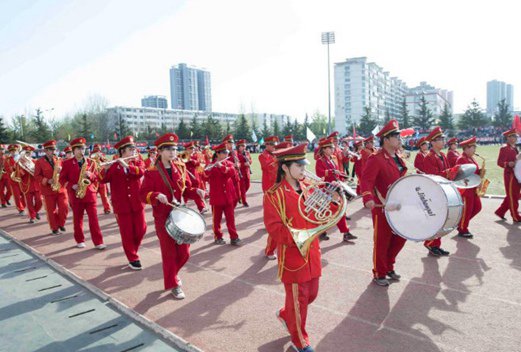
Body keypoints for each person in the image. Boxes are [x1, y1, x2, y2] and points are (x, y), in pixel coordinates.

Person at [263, 143, 320, 352]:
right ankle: (300, 341)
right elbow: (274, 227)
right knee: (299, 299)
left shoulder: (308, 187)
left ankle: (286, 315)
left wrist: (333, 198)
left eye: (304, 165)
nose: (304, 170)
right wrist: (298, 236)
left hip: (312, 252)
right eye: (299, 166)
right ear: (285, 167)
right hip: (293, 256)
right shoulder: (273, 195)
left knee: (311, 294)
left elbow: (320, 214)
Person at [140, 133, 200, 299]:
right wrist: (156, 195)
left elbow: (186, 189)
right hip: (163, 218)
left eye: (174, 148)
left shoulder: (180, 167)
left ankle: (172, 274)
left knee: (184, 253)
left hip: (181, 215)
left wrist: (197, 192)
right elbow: (142, 194)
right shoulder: (151, 172)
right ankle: (173, 284)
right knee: (169, 254)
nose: (173, 151)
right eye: (168, 149)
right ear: (159, 151)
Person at [360, 120, 408, 287]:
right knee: (383, 241)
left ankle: (389, 266)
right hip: (383, 206)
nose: (399, 138)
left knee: (401, 236)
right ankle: (380, 272)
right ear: (386, 139)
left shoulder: (398, 157)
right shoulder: (376, 158)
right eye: (396, 136)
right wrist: (368, 198)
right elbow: (366, 180)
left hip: (399, 205)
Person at [100, 136, 146, 270]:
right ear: (122, 151)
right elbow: (102, 180)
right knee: (127, 233)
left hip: (137, 202)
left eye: (134, 148)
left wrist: (127, 165)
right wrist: (107, 168)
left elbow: (141, 172)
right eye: (130, 149)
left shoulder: (137, 161)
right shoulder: (114, 165)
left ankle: (133, 251)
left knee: (141, 229)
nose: (134, 151)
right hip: (122, 205)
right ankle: (133, 258)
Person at [59, 137, 105, 249]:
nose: (82, 151)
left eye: (83, 149)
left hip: (90, 194)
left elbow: (96, 178)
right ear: (74, 150)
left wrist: (91, 175)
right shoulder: (67, 163)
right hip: (76, 196)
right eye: (79, 149)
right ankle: (80, 240)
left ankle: (98, 242)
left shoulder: (91, 162)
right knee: (77, 219)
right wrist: (72, 185)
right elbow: (62, 180)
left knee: (94, 219)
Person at [421, 127, 457, 256]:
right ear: (433, 142)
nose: (443, 141)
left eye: (443, 139)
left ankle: (436, 244)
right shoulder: (429, 157)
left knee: (442, 219)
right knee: (436, 220)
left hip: (443, 191)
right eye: (440, 139)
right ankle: (430, 243)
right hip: (434, 192)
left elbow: (447, 171)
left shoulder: (442, 155)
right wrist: (450, 172)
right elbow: (433, 175)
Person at [315, 137, 356, 242]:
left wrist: (344, 177)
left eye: (333, 147)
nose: (333, 149)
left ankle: (345, 232)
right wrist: (332, 171)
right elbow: (319, 173)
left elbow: (337, 172)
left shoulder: (332, 158)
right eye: (330, 148)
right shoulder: (320, 161)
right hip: (327, 189)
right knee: (328, 211)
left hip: (335, 188)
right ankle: (322, 231)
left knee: (338, 211)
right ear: (324, 149)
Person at [206, 142, 241, 245]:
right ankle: (218, 236)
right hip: (217, 197)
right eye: (224, 152)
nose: (226, 154)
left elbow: (231, 173)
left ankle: (234, 237)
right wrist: (211, 167)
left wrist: (221, 166)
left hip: (228, 197)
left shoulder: (229, 164)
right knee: (216, 220)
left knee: (231, 219)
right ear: (217, 153)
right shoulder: (211, 166)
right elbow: (205, 176)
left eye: (226, 152)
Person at [33, 140, 68, 234]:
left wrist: (62, 171)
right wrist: (47, 181)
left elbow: (65, 173)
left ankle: (61, 224)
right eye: (51, 150)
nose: (54, 152)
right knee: (51, 211)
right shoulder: (39, 162)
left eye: (54, 150)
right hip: (48, 190)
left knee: (64, 207)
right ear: (45, 150)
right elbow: (36, 176)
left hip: (60, 188)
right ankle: (54, 227)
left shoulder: (59, 160)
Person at [456, 137, 483, 238]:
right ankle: (463, 229)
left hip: (473, 187)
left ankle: (461, 223)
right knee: (467, 209)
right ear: (466, 148)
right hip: (466, 188)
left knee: (477, 207)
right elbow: (462, 176)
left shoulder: (471, 157)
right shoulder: (462, 159)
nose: (475, 149)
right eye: (473, 147)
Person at [259, 135, 280, 259]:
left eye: (275, 144)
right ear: (267, 145)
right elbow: (268, 167)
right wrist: (278, 160)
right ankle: (270, 250)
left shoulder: (276, 155)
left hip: (280, 188)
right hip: (270, 189)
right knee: (274, 218)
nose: (274, 147)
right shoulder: (263, 156)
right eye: (272, 145)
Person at [494, 128, 520, 222]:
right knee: (513, 196)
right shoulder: (504, 148)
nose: (515, 138)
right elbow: (499, 162)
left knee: (513, 195)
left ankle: (500, 211)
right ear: (508, 137)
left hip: (516, 174)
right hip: (510, 175)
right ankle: (515, 216)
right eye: (513, 136)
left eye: (515, 136)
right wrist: (508, 164)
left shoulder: (514, 148)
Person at [15, 145, 42, 223]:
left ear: (31, 153)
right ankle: (32, 217)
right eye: (26, 152)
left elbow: (40, 173)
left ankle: (35, 211)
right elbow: (17, 174)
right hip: (26, 185)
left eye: (29, 152)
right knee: (29, 202)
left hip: (36, 185)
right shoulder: (20, 163)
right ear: (23, 153)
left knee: (39, 201)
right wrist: (22, 171)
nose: (28, 154)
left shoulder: (35, 162)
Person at [182, 141, 207, 213]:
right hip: (186, 176)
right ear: (186, 149)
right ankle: (183, 205)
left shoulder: (195, 155)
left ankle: (201, 208)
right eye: (190, 148)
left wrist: (191, 160)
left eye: (193, 148)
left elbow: (199, 163)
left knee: (197, 192)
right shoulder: (183, 155)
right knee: (185, 192)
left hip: (195, 176)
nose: (192, 150)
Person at [4, 144, 26, 214]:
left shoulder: (21, 158)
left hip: (22, 180)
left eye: (14, 151)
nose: (13, 152)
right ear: (10, 152)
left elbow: (25, 167)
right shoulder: (7, 160)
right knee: (16, 196)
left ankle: (23, 205)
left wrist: (22, 171)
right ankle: (20, 209)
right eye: (11, 151)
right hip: (13, 180)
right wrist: (14, 168)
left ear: (17, 150)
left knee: (24, 195)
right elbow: (7, 169)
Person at [91, 144, 111, 214]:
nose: (98, 151)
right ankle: (92, 210)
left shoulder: (102, 156)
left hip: (102, 179)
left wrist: (102, 158)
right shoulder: (91, 157)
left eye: (99, 149)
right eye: (96, 149)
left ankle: (107, 209)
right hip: (94, 180)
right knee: (93, 197)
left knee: (104, 196)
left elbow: (107, 163)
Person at [236, 139, 252, 207]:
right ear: (238, 146)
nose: (244, 147)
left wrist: (249, 162)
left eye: (244, 145)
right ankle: (244, 201)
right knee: (242, 187)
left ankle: (240, 196)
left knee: (248, 186)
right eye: (242, 146)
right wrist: (243, 164)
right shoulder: (236, 154)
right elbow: (237, 163)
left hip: (247, 172)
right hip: (240, 172)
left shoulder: (247, 153)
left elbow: (250, 160)